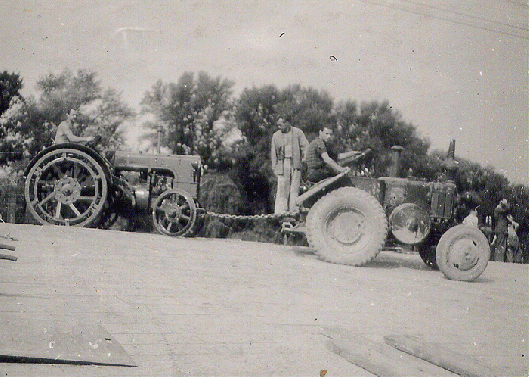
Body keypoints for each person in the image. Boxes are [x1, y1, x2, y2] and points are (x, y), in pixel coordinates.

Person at [271, 117, 309, 214]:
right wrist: (274, 168)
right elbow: (273, 153)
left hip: (295, 164)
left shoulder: (297, 133)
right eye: (278, 125)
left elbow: (306, 148)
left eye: (281, 125)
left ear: (287, 123)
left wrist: (304, 161)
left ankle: (294, 211)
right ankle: (281, 213)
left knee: (294, 189)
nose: (279, 127)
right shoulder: (276, 136)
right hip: (282, 166)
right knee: (282, 190)